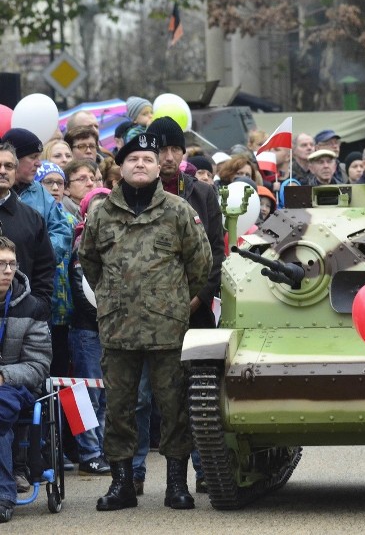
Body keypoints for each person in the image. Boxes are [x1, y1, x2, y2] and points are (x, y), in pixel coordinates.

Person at [78, 132, 212, 512]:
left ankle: (176, 485)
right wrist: (114, 297)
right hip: (118, 329)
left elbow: (200, 264)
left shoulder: (177, 210)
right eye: (133, 158)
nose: (140, 164)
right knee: (119, 409)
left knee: (174, 409)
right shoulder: (102, 211)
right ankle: (122, 484)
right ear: (120, 166)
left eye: (148, 159)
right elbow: (89, 262)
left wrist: (169, 301)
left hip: (167, 329)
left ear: (158, 167)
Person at [130, 116, 225, 495]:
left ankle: (205, 468)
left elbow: (217, 255)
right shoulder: (135, 192)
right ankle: (135, 471)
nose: (168, 157)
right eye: (161, 150)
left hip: (194, 309)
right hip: (143, 315)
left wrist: (196, 299)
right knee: (139, 397)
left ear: (184, 153)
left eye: (174, 149)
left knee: (198, 392)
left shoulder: (202, 194)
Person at [0, 236, 52, 523]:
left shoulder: (31, 307)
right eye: (1, 264)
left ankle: (3, 495)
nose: (8, 270)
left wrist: (4, 375)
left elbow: (39, 364)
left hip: (15, 386)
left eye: (11, 264)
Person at [68, 188, 112, 477]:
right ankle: (89, 452)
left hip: (112, 330)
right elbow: (84, 296)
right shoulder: (81, 246)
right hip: (87, 330)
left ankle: (102, 448)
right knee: (85, 394)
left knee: (107, 395)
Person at [0, 143, 55, 307]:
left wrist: (38, 306)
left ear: (15, 172)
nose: (2, 171)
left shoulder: (32, 218)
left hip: (22, 317)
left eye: (8, 166)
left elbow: (45, 268)